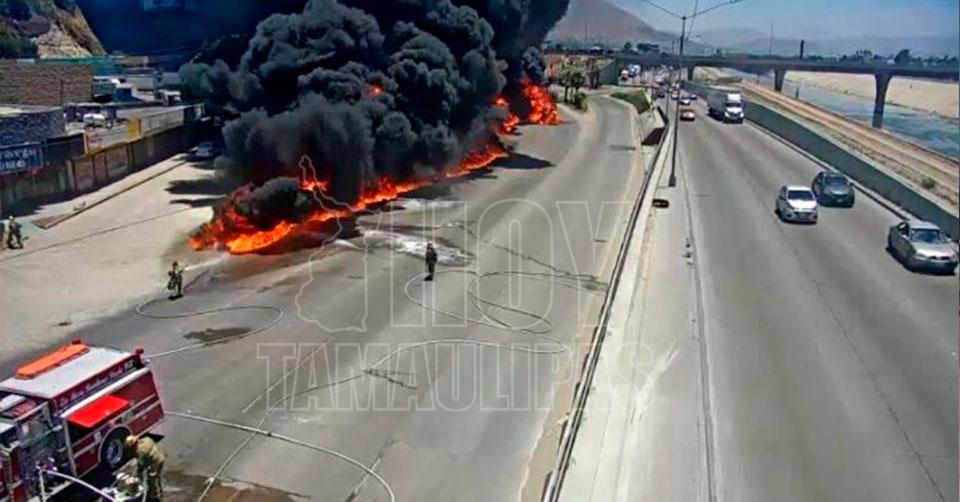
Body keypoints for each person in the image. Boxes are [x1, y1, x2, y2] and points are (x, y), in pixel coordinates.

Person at [124, 435, 165, 501]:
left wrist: (134, 477)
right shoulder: (146, 439)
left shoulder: (140, 451)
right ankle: (160, 491)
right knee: (157, 477)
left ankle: (154, 496)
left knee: (152, 479)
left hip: (155, 463)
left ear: (134, 445)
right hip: (160, 457)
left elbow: (140, 466)